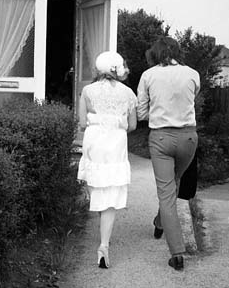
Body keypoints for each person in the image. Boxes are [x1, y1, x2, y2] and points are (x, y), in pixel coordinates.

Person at [137, 37, 200, 271]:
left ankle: (176, 253)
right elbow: (192, 98)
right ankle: (160, 222)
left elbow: (142, 113)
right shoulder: (192, 73)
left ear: (155, 53)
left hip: (161, 138)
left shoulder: (148, 75)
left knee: (166, 193)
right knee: (173, 183)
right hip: (188, 138)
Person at [77, 51, 137, 268]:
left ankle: (103, 229)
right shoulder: (128, 93)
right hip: (116, 144)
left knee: (98, 188)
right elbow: (132, 125)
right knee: (111, 194)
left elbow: (82, 123)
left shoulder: (88, 91)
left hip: (95, 142)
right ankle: (104, 244)